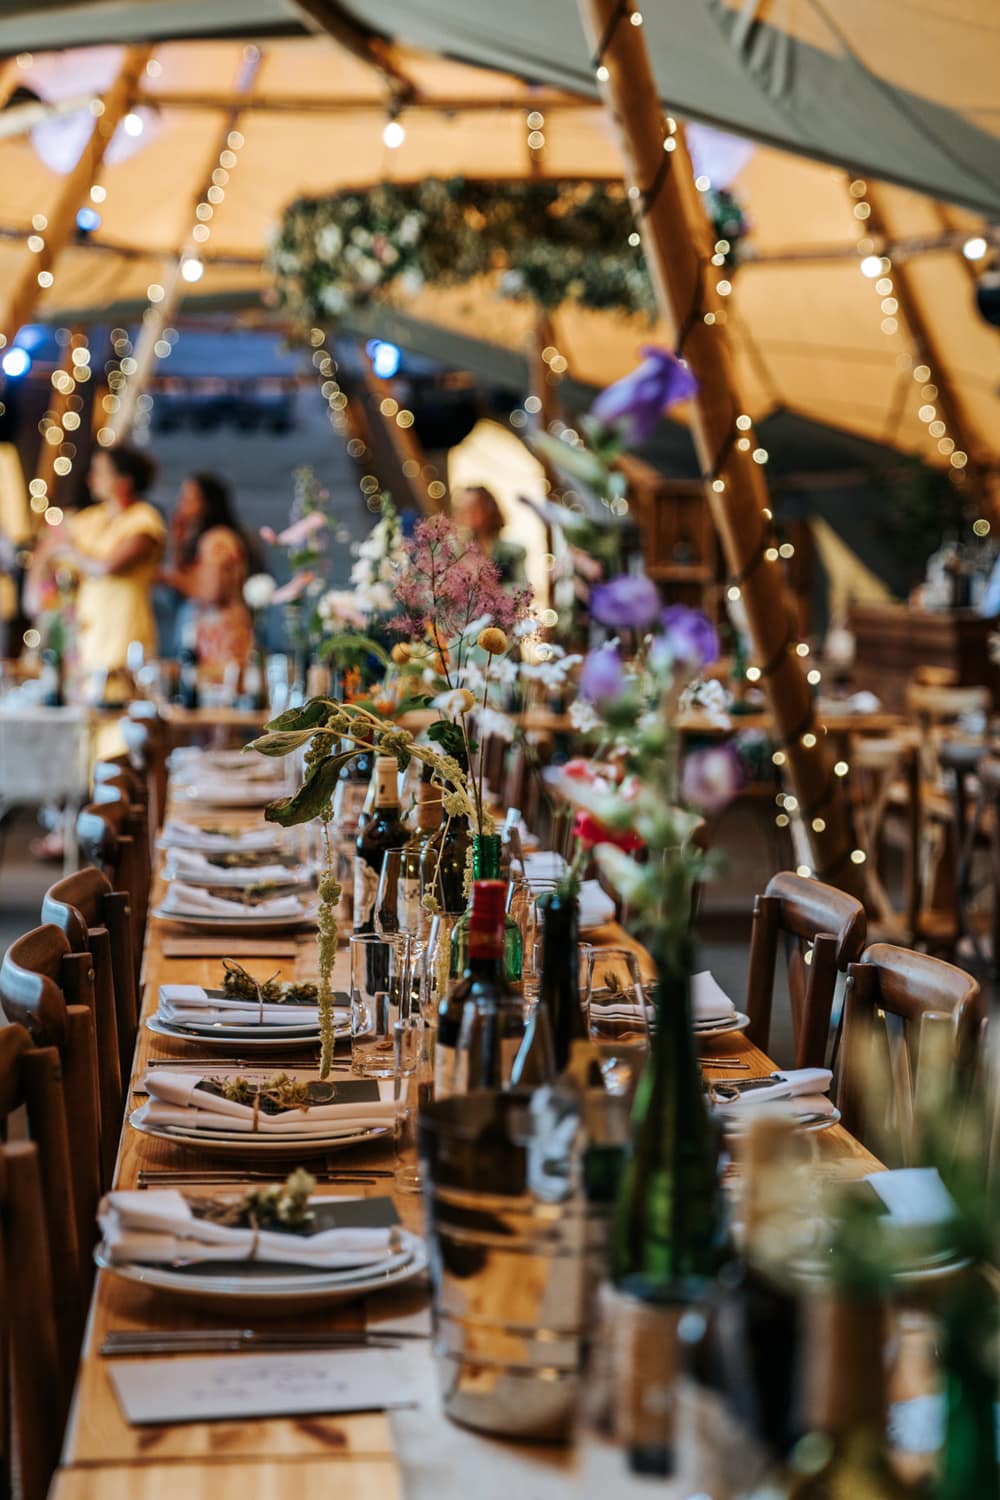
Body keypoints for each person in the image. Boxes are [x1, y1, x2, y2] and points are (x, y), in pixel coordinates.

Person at [26, 444, 164, 681]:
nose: (92, 479)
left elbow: (107, 567)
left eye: (101, 472)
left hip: (124, 625)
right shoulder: (91, 518)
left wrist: (69, 549)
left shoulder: (144, 519)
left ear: (124, 481)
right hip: (86, 631)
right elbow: (51, 547)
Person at [158, 471, 253, 680]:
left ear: (208, 503)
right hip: (210, 629)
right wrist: (177, 540)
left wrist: (170, 579)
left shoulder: (217, 539)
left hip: (221, 631)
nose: (180, 504)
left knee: (220, 687)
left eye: (188, 498)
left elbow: (211, 592)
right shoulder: (206, 538)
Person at [453, 484, 527, 584]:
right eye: (463, 509)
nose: (466, 514)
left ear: (488, 509)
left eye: (473, 508)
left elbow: (522, 588)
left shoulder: (513, 553)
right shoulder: (457, 550)